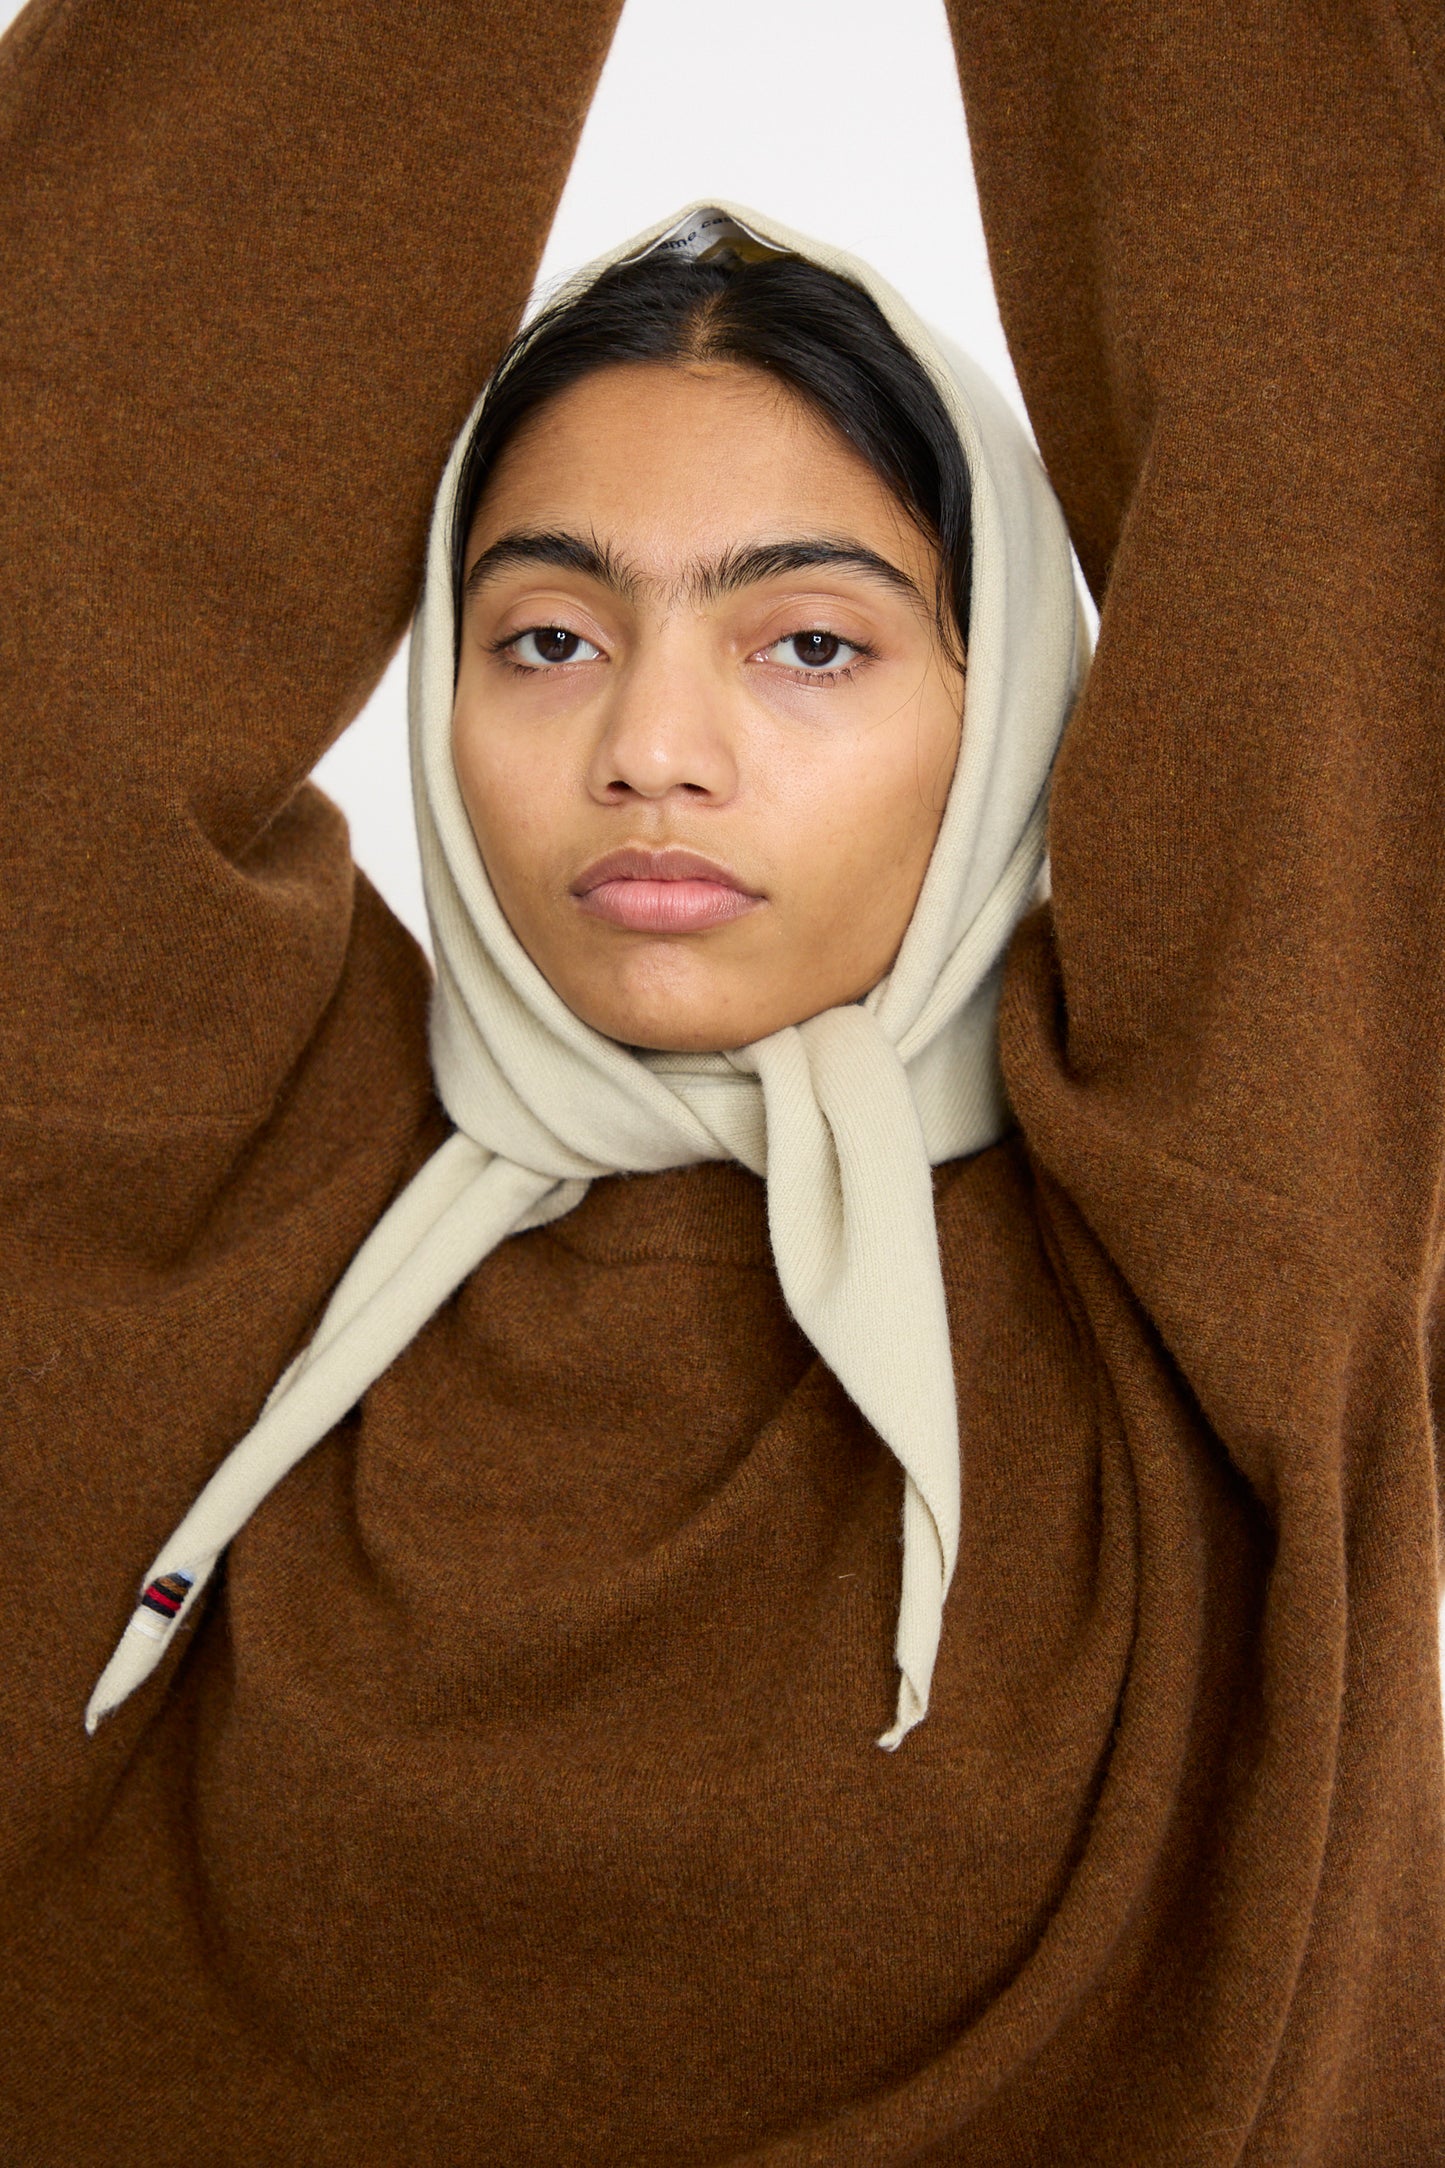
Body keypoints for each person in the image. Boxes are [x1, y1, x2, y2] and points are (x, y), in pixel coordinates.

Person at [2, 6, 1442, 2165]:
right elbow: (69, 520)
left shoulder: (1227, 1258)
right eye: (549, 636)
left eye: (812, 643)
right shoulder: (188, 1223)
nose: (652, 747)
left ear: (1010, 702)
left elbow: (1347, 413)